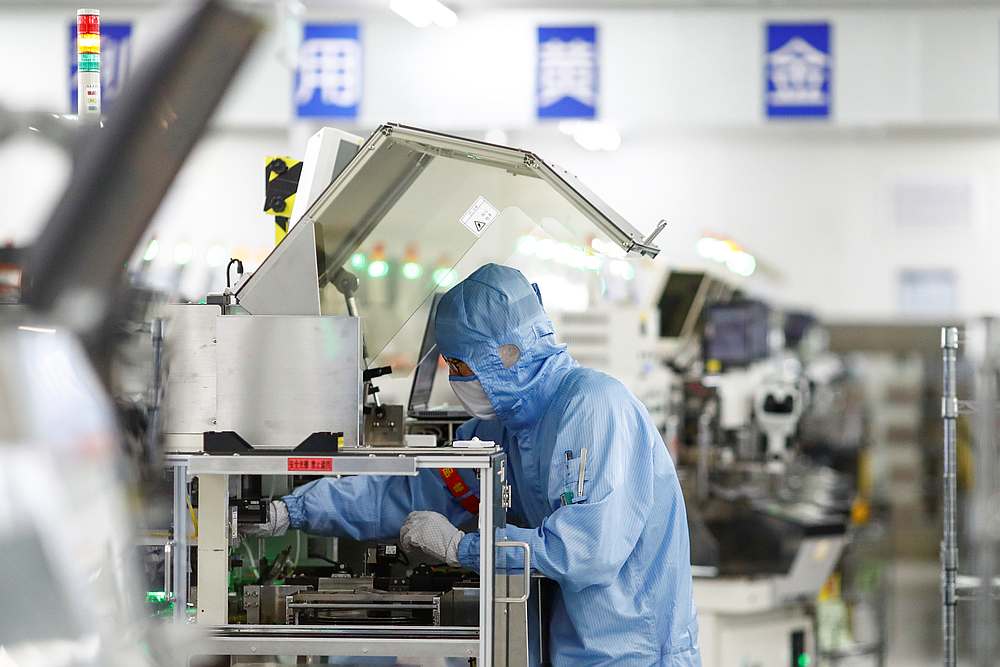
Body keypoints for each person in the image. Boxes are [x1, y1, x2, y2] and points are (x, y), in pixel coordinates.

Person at [251, 263, 700, 666]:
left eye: (462, 364)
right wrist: (292, 510)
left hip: (636, 654)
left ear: (505, 353)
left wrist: (462, 548)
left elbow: (582, 553)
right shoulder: (502, 429)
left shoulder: (594, 408)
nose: (458, 379)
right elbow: (407, 493)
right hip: (567, 650)